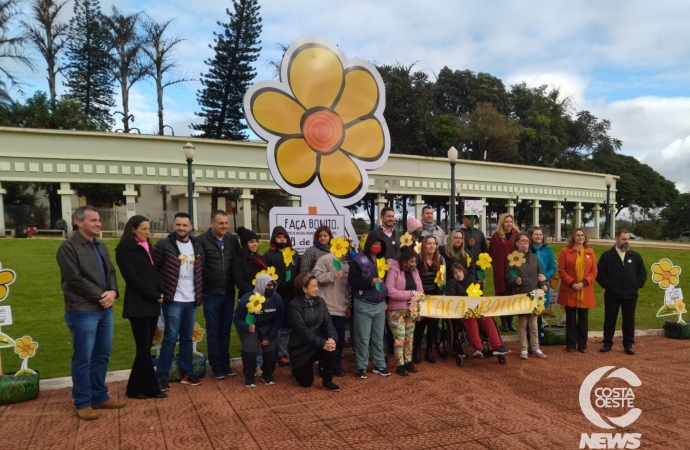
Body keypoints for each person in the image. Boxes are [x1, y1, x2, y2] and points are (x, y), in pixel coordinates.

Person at [56, 206, 123, 420]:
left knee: (102, 354)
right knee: (83, 357)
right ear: (78, 221)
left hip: (104, 309)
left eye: (99, 220)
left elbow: (111, 271)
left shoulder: (100, 246)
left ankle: (99, 396)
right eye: (93, 220)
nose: (98, 223)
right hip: (83, 311)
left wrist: (113, 291)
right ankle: (82, 401)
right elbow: (74, 278)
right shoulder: (68, 247)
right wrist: (101, 296)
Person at [115, 215, 167, 400]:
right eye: (144, 229)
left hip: (152, 304)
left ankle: (134, 388)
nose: (148, 232)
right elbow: (132, 277)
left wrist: (160, 291)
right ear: (133, 229)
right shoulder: (124, 249)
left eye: (148, 228)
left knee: (145, 349)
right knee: (143, 349)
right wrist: (154, 294)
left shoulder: (147, 248)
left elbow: (153, 273)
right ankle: (152, 387)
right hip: (138, 305)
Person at [153, 212, 206, 391]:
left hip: (191, 300)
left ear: (191, 227)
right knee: (169, 338)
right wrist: (160, 291)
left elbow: (201, 271)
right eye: (178, 225)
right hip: (173, 300)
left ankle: (187, 373)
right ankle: (162, 376)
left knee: (186, 338)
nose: (181, 228)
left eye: (185, 225)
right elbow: (154, 269)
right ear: (173, 225)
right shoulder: (163, 245)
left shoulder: (197, 246)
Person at [199, 210, 239, 380]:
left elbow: (238, 263)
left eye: (226, 223)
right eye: (220, 223)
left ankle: (225, 364)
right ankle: (216, 366)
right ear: (212, 223)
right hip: (210, 294)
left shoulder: (232, 240)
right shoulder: (201, 241)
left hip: (228, 293)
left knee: (225, 330)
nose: (224, 226)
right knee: (213, 331)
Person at [596, 229, 647, 355]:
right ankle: (607, 343)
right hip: (612, 294)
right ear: (616, 239)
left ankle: (628, 344)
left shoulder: (635, 256)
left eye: (628, 239)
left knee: (629, 320)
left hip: (630, 295)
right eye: (624, 239)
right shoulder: (607, 256)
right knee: (610, 319)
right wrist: (609, 286)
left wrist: (636, 285)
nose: (626, 242)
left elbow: (642, 273)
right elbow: (600, 274)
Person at [289, 273, 341, 391]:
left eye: (316, 285)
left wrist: (332, 339)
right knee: (306, 383)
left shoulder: (320, 301)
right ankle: (296, 369)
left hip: (317, 345)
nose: (317, 289)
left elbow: (328, 322)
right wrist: (322, 343)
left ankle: (327, 381)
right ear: (304, 288)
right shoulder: (294, 305)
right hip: (300, 348)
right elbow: (303, 331)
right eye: (313, 286)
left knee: (330, 347)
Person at [446, 263, 509, 358]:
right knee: (471, 318)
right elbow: (451, 299)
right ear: (453, 275)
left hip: (475, 310)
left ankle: (497, 346)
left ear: (463, 271)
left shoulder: (471, 281)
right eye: (455, 273)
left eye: (459, 271)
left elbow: (479, 296)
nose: (458, 274)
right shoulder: (451, 283)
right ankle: (478, 348)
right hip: (460, 312)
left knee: (486, 317)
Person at [348, 236, 389, 379]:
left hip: (380, 305)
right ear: (369, 244)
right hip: (364, 303)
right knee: (362, 338)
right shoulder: (358, 260)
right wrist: (369, 281)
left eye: (379, 244)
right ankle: (361, 366)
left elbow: (386, 282)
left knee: (378, 338)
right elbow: (352, 281)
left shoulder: (381, 260)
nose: (377, 246)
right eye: (374, 243)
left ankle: (379, 364)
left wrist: (386, 298)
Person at [233, 274, 284, 387]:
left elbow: (278, 318)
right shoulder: (246, 299)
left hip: (267, 325)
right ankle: (249, 376)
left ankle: (267, 374)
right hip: (251, 326)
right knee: (250, 347)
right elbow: (237, 319)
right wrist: (247, 327)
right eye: (268, 285)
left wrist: (269, 336)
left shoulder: (277, 298)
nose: (271, 288)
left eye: (273, 285)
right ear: (261, 285)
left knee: (272, 347)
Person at [506, 232, 548, 360]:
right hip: (521, 294)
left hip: (534, 295)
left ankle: (536, 348)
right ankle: (523, 349)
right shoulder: (512, 258)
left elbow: (540, 274)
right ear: (517, 243)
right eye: (522, 241)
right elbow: (507, 277)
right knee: (523, 324)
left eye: (527, 241)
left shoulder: (535, 258)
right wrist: (515, 281)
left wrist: (543, 284)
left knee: (534, 325)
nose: (525, 243)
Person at [263, 226, 300, 368]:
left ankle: (285, 353)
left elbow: (298, 271)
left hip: (292, 294)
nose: (282, 240)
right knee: (276, 324)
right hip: (275, 295)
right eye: (279, 237)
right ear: (273, 239)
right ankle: (276, 353)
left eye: (284, 237)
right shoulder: (268, 255)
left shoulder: (294, 254)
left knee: (289, 325)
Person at [558, 228, 598, 353]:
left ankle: (582, 345)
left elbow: (594, 271)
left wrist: (583, 283)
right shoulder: (565, 251)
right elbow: (561, 270)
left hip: (584, 290)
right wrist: (572, 283)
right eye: (578, 235)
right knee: (570, 318)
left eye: (582, 235)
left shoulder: (590, 252)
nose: (580, 237)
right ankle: (570, 344)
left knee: (583, 319)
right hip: (570, 289)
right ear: (573, 237)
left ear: (585, 238)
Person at [312, 249, 351, 377]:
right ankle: (323, 367)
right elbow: (315, 275)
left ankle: (336, 366)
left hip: (340, 309)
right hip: (326, 308)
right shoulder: (326, 258)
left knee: (338, 340)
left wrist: (348, 306)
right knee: (325, 340)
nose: (346, 250)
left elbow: (347, 288)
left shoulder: (346, 264)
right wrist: (331, 275)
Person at [384, 245, 422, 376]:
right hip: (395, 310)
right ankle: (400, 364)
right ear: (404, 262)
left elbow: (420, 290)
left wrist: (416, 302)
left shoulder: (415, 271)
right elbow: (390, 291)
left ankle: (408, 361)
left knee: (409, 337)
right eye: (412, 262)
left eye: (415, 261)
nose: (414, 264)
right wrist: (410, 294)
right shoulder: (393, 270)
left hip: (411, 309)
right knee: (399, 337)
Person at [412, 236, 445, 364]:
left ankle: (429, 351)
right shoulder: (419, 259)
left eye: (434, 243)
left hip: (435, 295)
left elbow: (443, 279)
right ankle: (416, 350)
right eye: (429, 243)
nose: (432, 246)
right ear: (424, 245)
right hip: (421, 295)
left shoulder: (440, 259)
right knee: (421, 324)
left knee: (433, 324)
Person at [489, 213, 520, 332]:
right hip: (500, 270)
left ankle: (510, 321)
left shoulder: (516, 235)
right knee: (502, 296)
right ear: (502, 222)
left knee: (512, 296)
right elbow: (491, 253)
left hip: (513, 269)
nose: (509, 224)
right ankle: (504, 323)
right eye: (506, 221)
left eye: (510, 221)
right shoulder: (496, 237)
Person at [528, 226, 556, 344]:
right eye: (536, 234)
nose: (538, 236)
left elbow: (552, 268)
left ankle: (537, 340)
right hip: (529, 284)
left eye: (540, 234)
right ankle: (528, 339)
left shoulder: (548, 250)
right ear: (531, 236)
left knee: (538, 313)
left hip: (543, 285)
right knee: (529, 312)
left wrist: (546, 276)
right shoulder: (527, 250)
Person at [234, 226, 268, 298]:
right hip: (246, 296)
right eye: (251, 242)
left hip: (262, 296)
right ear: (245, 244)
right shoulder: (238, 260)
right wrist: (254, 292)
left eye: (256, 241)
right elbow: (239, 282)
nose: (255, 244)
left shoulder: (261, 258)